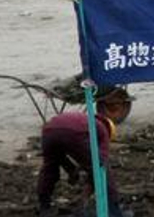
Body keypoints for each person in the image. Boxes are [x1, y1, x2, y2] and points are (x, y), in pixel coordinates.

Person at [37, 87, 133, 217]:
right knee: (103, 172)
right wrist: (87, 193)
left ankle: (44, 206)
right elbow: (100, 166)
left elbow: (62, 155)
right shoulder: (102, 130)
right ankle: (114, 211)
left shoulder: (85, 120)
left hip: (48, 131)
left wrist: (72, 171)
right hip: (73, 133)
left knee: (50, 168)